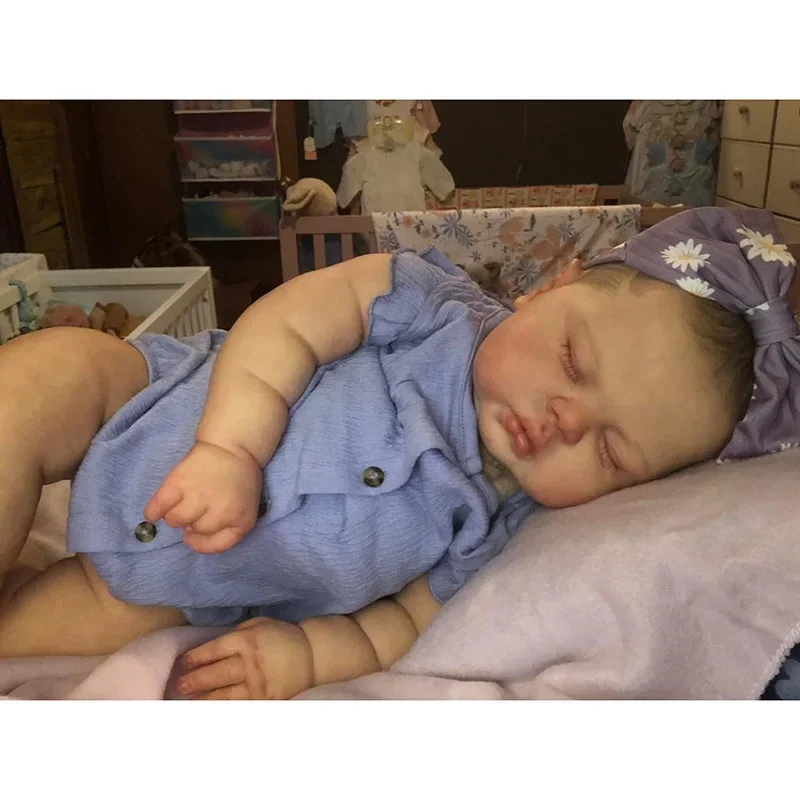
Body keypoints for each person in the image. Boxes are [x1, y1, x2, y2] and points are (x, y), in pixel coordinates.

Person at [0, 207, 797, 700]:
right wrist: (227, 448)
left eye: (611, 451)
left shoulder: (497, 528)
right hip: (141, 408)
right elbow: (286, 323)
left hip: (172, 589)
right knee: (41, 379)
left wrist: (305, 652)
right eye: (571, 360)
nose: (564, 420)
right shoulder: (428, 302)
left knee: (25, 635)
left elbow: (402, 622)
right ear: (553, 287)